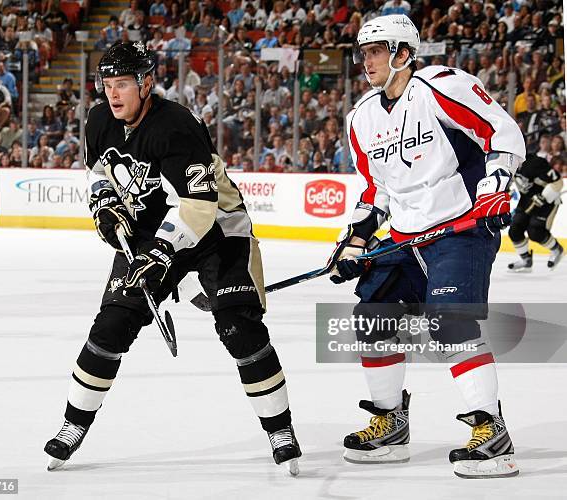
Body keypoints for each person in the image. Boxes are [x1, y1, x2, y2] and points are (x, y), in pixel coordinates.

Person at [43, 41, 301, 475]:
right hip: (151, 231)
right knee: (111, 325)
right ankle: (72, 426)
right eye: (107, 84)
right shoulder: (99, 119)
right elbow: (99, 172)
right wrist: (105, 204)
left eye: (122, 83)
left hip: (217, 230)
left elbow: (198, 207)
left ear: (146, 84)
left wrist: (164, 252)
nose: (113, 93)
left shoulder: (176, 126)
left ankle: (281, 430)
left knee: (239, 327)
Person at [329, 15, 525, 479]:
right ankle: (390, 422)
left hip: (460, 228)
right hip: (404, 237)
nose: (366, 61)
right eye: (363, 52)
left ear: (402, 54)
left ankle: (491, 430)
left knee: (450, 323)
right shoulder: (362, 117)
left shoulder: (440, 86)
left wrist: (495, 185)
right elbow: (377, 191)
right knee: (371, 316)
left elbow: (502, 134)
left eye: (376, 51)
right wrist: (354, 240)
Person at [507, 154, 564, 271]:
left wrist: (544, 197)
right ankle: (526, 260)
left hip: (547, 201)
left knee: (535, 231)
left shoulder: (535, 162)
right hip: (526, 199)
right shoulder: (506, 161)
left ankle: (557, 250)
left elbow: (558, 182)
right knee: (514, 230)